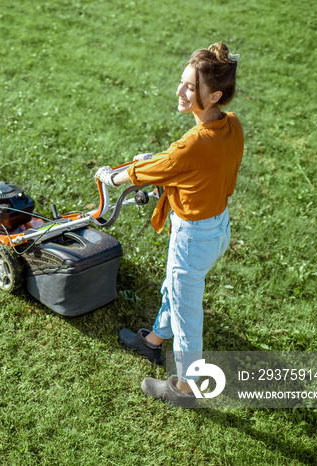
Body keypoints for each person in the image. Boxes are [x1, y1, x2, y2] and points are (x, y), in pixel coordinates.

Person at [95, 42, 244, 408]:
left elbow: (161, 167)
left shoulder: (192, 144)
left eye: (191, 87)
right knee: (175, 289)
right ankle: (152, 343)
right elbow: (195, 168)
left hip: (193, 237)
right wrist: (164, 165)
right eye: (183, 82)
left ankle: (187, 388)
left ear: (214, 96)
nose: (180, 91)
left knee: (187, 315)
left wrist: (111, 178)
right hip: (217, 229)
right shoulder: (232, 125)